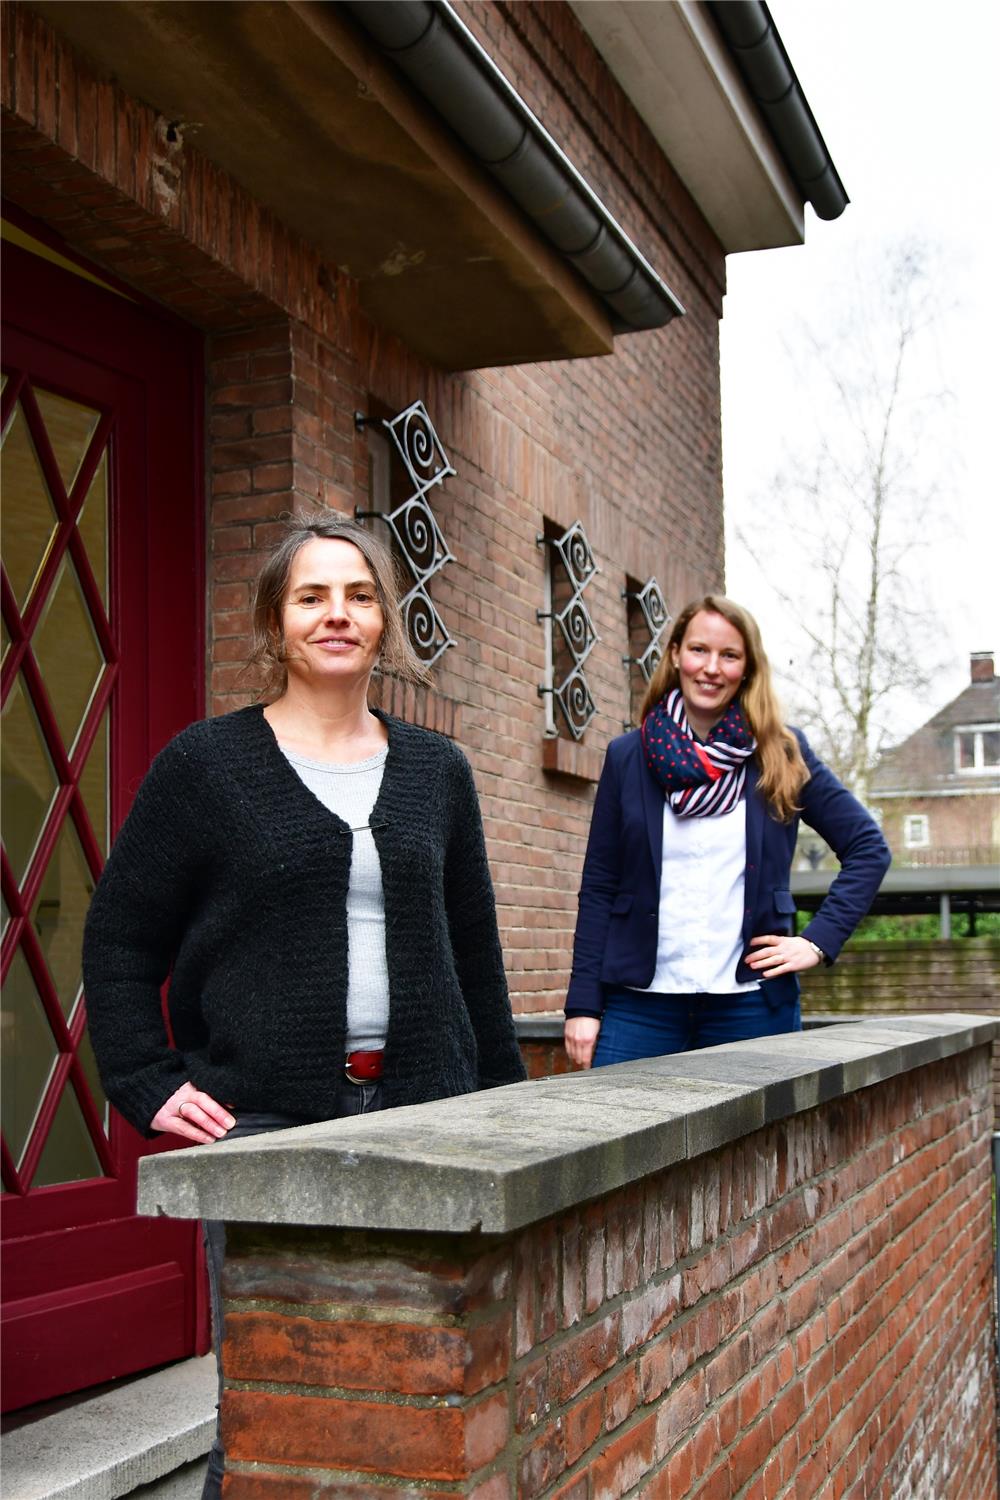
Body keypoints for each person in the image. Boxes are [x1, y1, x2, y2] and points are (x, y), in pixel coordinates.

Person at [82, 512, 525, 1499]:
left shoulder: (436, 772)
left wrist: (505, 1108)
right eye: (312, 596)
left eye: (359, 595)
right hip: (264, 1122)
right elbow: (118, 939)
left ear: (385, 621)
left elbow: (475, 954)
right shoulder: (207, 767)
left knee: (417, 1392)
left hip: (429, 1120)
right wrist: (145, 1079)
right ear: (275, 622)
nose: (338, 614)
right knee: (270, 1407)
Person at [564, 595, 890, 1069]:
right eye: (699, 650)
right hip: (641, 1004)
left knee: (759, 1143)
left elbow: (868, 848)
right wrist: (583, 1005)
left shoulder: (782, 753)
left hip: (751, 1003)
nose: (711, 668)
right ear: (675, 653)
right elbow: (599, 886)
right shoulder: (628, 757)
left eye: (729, 655)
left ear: (747, 667)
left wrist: (818, 941)